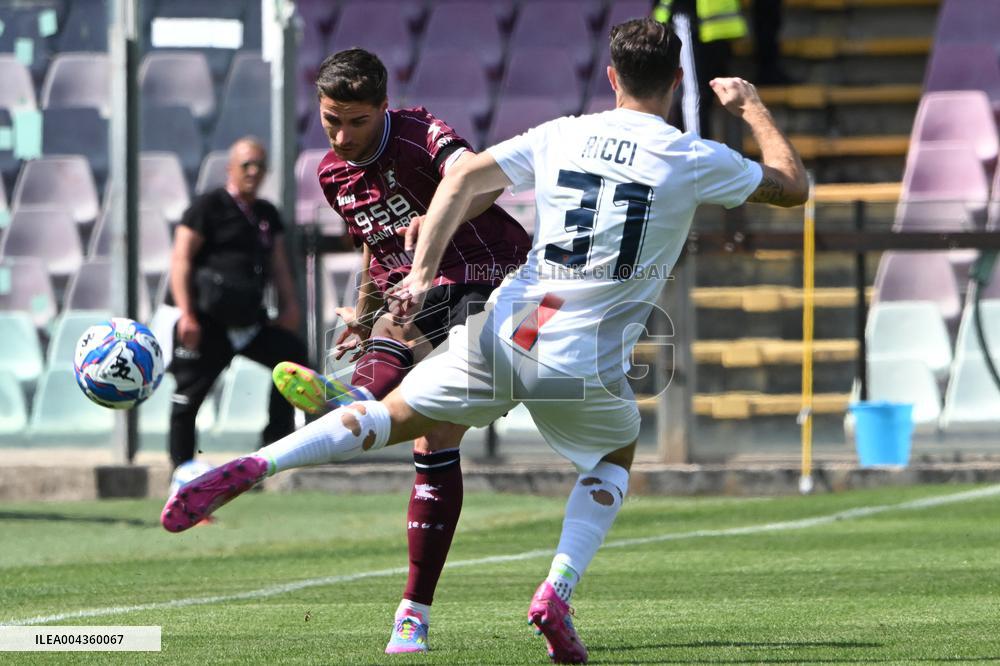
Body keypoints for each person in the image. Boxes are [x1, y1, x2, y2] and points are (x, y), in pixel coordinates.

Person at [161, 18, 807, 663]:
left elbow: (465, 177)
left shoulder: (563, 134)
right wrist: (751, 107)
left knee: (392, 418)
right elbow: (791, 186)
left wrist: (416, 274)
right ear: (674, 80)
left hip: (519, 319)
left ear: (609, 77)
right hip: (581, 355)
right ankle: (556, 590)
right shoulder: (693, 158)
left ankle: (262, 463)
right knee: (614, 455)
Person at [270, 48, 531, 654]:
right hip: (415, 294)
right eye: (331, 119)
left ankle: (357, 397)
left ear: (383, 107)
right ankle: (412, 614)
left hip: (493, 277)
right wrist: (361, 312)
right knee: (432, 441)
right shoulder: (332, 174)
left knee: (406, 317)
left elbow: (485, 179)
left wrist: (438, 216)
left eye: (356, 121)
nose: (342, 135)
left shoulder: (419, 133)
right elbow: (374, 244)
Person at [164, 137, 307, 471]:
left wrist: (290, 306)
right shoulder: (207, 207)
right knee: (188, 397)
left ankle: (275, 449)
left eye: (259, 165)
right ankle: (183, 474)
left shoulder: (266, 214)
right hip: (208, 323)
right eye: (246, 165)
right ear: (230, 169)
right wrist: (187, 314)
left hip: (250, 323)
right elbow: (181, 259)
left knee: (292, 358)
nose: (253, 171)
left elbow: (279, 265)